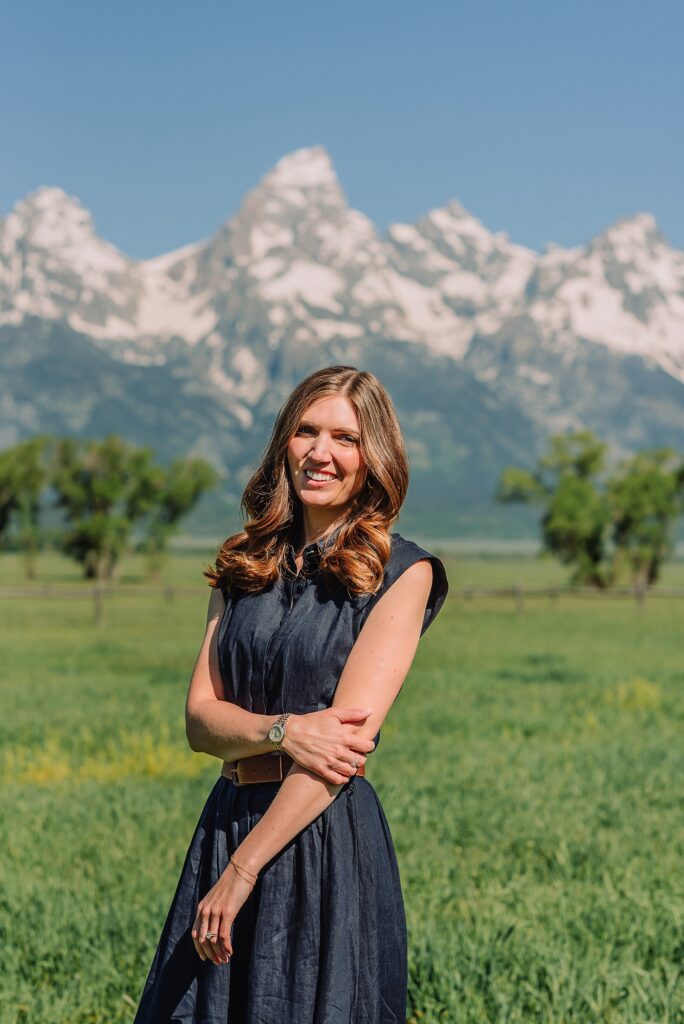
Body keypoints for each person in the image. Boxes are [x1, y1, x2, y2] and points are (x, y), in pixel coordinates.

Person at [133, 364, 449, 1023]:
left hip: (320, 836)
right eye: (306, 431)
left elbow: (341, 748)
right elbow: (199, 719)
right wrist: (284, 728)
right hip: (229, 818)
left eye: (345, 438)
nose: (321, 452)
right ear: (284, 443)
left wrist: (242, 872)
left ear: (374, 458)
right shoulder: (242, 562)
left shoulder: (401, 572)